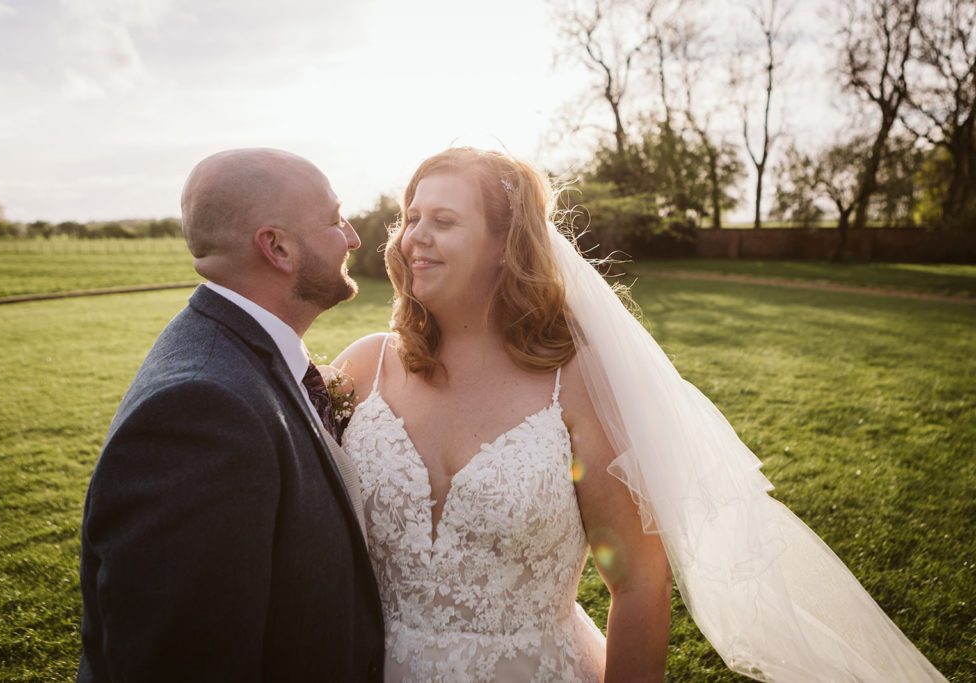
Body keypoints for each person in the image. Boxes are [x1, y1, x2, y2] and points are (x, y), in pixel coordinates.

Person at [332, 147, 946, 682]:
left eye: (443, 220)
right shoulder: (363, 372)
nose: (415, 237)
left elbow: (639, 583)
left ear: (504, 248)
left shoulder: (570, 389)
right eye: (411, 219)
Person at [77, 148, 384, 682]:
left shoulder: (236, 356)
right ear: (278, 248)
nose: (354, 237)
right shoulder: (202, 415)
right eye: (335, 220)